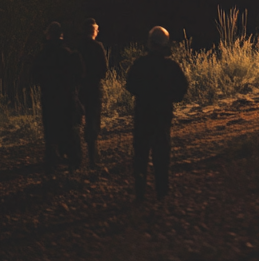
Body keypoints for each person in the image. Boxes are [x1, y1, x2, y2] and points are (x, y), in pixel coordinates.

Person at [124, 26, 189, 202]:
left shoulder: (140, 64)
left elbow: (130, 85)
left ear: (150, 43)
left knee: (141, 153)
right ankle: (162, 190)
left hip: (143, 114)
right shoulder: (171, 67)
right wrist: (170, 98)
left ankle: (140, 190)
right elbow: (182, 88)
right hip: (162, 114)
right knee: (161, 152)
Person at [33, 21, 84, 175]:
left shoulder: (42, 56)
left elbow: (35, 76)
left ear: (48, 36)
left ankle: (52, 162)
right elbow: (79, 75)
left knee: (50, 132)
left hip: (49, 98)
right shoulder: (69, 54)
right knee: (69, 128)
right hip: (67, 97)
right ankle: (74, 161)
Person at [76, 17, 108, 169]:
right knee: (93, 120)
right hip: (94, 89)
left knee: (77, 121)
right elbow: (104, 70)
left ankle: (75, 157)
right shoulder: (97, 46)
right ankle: (92, 156)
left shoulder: (78, 47)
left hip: (80, 89)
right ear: (94, 30)